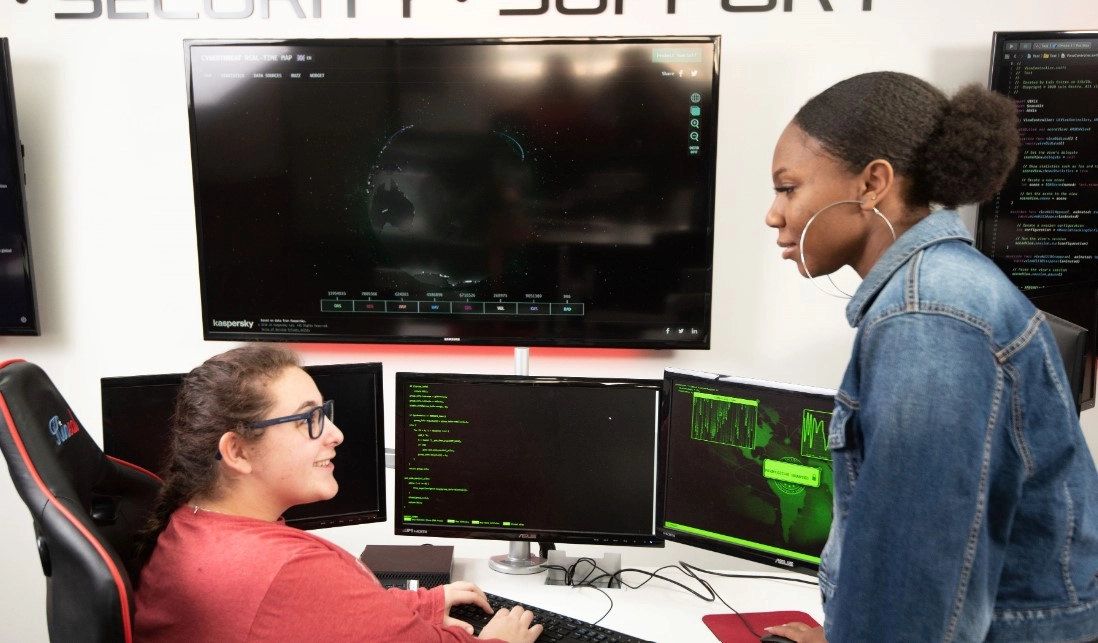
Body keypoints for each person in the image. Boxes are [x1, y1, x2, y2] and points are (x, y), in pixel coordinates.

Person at [762, 71, 1098, 641]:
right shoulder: (935, 291)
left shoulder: (929, 318)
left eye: (788, 188)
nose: (774, 214)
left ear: (872, 184)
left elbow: (919, 582)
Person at [134, 345, 542, 643]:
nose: (336, 435)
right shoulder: (288, 570)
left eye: (323, 413)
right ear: (237, 451)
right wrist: (502, 641)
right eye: (308, 420)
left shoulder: (190, 523)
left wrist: (422, 604)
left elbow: (313, 616)